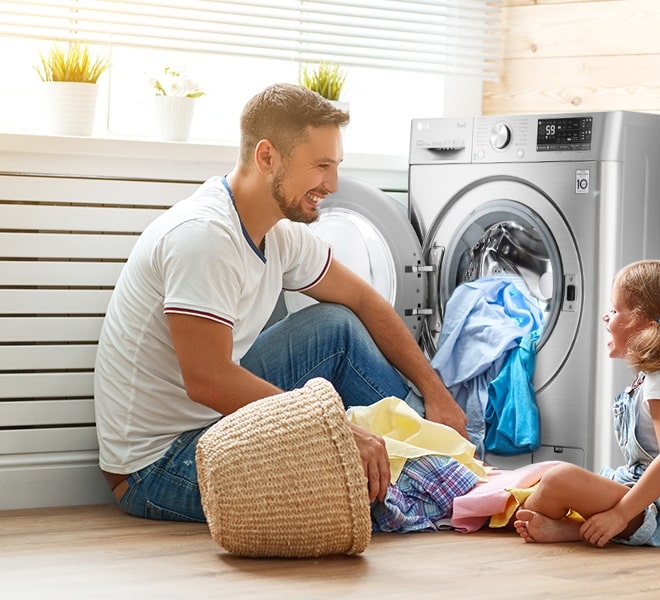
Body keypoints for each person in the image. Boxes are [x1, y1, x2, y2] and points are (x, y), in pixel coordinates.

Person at [93, 82, 467, 522]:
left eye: (336, 165)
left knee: (336, 326)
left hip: (213, 424)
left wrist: (437, 393)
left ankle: (444, 453)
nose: (332, 183)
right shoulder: (205, 237)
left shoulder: (280, 232)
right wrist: (335, 434)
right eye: (321, 165)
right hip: (158, 465)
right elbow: (208, 381)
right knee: (346, 484)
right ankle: (441, 480)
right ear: (266, 156)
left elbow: (364, 300)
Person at [512, 260, 660, 547]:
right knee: (546, 476)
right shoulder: (659, 377)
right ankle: (571, 530)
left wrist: (621, 514)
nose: (605, 317)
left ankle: (512, 515)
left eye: (614, 310)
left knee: (558, 479)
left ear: (643, 324)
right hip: (648, 495)